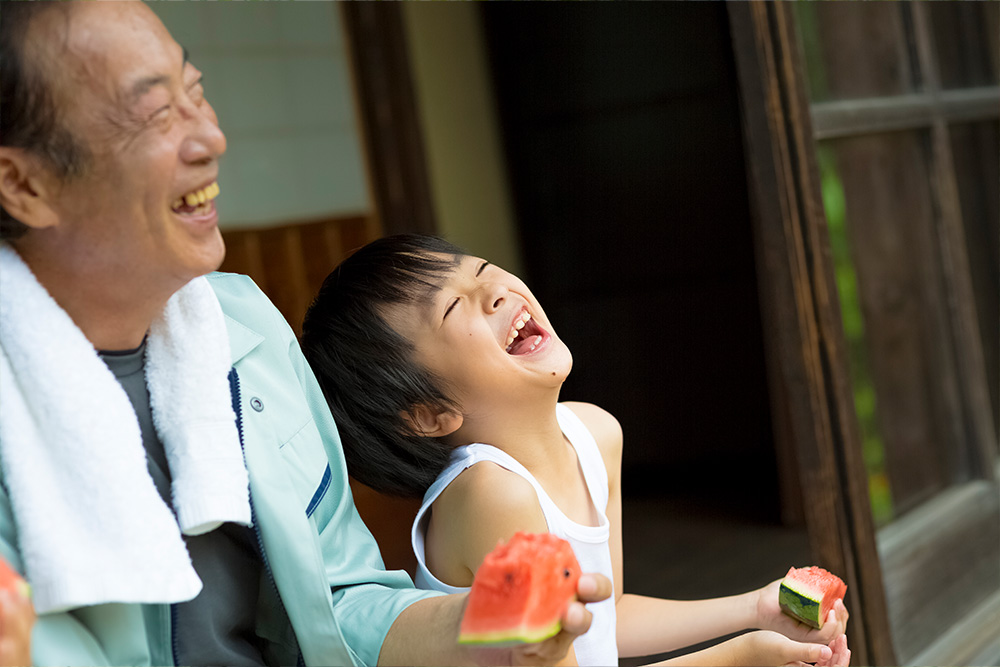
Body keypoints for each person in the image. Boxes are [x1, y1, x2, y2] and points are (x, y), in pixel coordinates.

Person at [0, 3, 611, 665]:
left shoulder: (244, 331)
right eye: (154, 114)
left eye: (196, 93)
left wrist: (485, 629)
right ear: (23, 184)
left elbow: (340, 601)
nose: (209, 138)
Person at [301, 234, 852, 667]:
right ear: (427, 414)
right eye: (453, 309)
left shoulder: (596, 432)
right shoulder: (493, 495)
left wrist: (757, 609)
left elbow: (606, 617)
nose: (495, 290)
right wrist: (743, 656)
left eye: (482, 270)